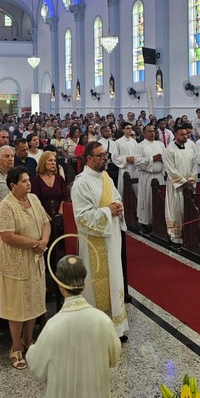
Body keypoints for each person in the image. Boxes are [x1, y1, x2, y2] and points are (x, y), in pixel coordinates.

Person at [26, 255, 121, 398]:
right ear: (84, 283)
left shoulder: (53, 327)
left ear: (60, 285)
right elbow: (114, 358)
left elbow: (37, 367)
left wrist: (31, 348)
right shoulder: (103, 321)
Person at [70, 142, 129, 340]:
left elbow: (116, 196)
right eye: (101, 155)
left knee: (115, 278)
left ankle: (117, 326)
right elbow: (81, 218)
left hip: (112, 240)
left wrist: (118, 206)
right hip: (95, 245)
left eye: (106, 154)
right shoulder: (81, 183)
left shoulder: (105, 176)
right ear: (89, 158)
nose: (106, 158)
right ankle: (98, 329)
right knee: (98, 284)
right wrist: (108, 211)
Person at [0, 167, 50, 370]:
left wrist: (44, 241)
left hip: (35, 260)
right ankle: (16, 347)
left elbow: (46, 222)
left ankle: (29, 341)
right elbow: (7, 236)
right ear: (13, 185)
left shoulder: (34, 199)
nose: (29, 183)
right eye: (24, 181)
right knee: (18, 307)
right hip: (15, 264)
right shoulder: (6, 206)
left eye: (29, 180)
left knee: (34, 302)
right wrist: (35, 244)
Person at [162, 125, 197, 245]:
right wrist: (183, 181)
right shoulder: (169, 150)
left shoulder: (190, 147)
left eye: (186, 134)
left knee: (188, 210)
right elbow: (170, 169)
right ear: (176, 135)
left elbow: (195, 164)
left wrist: (191, 179)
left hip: (189, 185)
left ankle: (189, 234)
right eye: (182, 134)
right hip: (176, 186)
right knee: (176, 210)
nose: (185, 136)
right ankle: (176, 237)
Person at [135, 124, 165, 231]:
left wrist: (163, 159)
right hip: (147, 177)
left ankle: (159, 221)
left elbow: (166, 158)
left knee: (160, 200)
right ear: (144, 133)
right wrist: (152, 159)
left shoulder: (160, 144)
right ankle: (146, 222)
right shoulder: (140, 146)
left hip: (159, 176)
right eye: (149, 131)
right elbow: (137, 162)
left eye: (153, 131)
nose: (152, 133)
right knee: (147, 199)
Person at [31, 150, 70, 217]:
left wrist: (60, 212)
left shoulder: (59, 178)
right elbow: (36, 201)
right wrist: (46, 216)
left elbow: (65, 197)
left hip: (60, 215)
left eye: (54, 160)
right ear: (43, 162)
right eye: (50, 160)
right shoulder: (36, 180)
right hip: (42, 215)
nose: (53, 163)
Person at [112, 122, 139, 200]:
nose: (129, 130)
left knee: (136, 188)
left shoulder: (134, 142)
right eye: (127, 128)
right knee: (124, 189)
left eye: (130, 128)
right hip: (125, 168)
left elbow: (138, 154)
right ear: (123, 130)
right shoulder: (118, 142)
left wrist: (135, 159)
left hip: (134, 168)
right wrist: (126, 159)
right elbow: (115, 157)